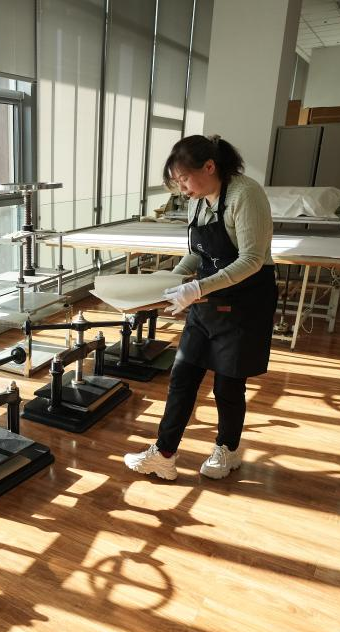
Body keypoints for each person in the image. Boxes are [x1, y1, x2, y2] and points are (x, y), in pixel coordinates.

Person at [124, 134, 277, 481]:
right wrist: (173, 279)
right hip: (207, 299)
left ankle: (228, 449)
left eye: (184, 179)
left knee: (228, 385)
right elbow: (197, 252)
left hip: (245, 302)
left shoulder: (245, 194)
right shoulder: (198, 200)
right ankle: (164, 454)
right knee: (182, 376)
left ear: (209, 167)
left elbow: (252, 259)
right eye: (176, 183)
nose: (181, 189)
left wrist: (196, 287)